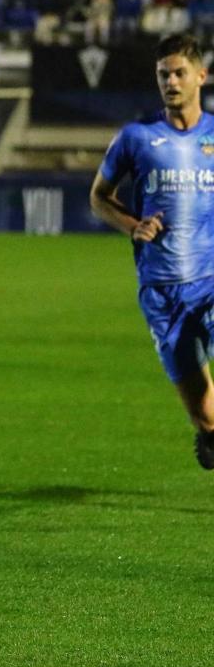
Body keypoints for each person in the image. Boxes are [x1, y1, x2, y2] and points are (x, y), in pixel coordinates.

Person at [90, 34, 214, 469]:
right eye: (164, 74)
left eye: (180, 73)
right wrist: (132, 224)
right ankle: (209, 434)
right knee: (205, 414)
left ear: (202, 76)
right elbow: (99, 196)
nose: (171, 81)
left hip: (211, 281)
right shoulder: (137, 137)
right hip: (161, 291)